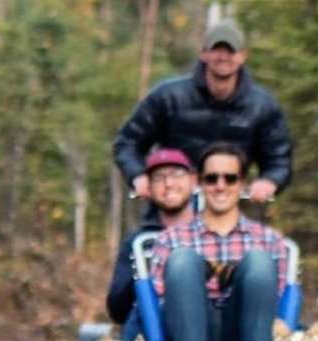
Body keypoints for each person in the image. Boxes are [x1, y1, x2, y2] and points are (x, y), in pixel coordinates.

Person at [113, 19, 292, 225]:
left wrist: (269, 181)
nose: (223, 56)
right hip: (170, 210)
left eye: (230, 50)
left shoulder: (263, 106)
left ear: (243, 56)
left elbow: (279, 158)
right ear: (203, 53)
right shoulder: (167, 97)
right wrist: (138, 176)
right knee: (139, 245)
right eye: (216, 50)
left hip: (232, 212)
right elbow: (127, 143)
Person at [148, 143, 288, 341]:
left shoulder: (270, 240)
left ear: (242, 183)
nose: (220, 186)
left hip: (249, 325)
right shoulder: (169, 240)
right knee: (183, 259)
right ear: (199, 182)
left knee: (259, 261)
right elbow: (157, 303)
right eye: (212, 178)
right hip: (185, 328)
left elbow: (276, 303)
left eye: (230, 178)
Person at [106, 148, 197, 341]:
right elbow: (117, 310)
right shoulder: (138, 242)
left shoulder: (212, 236)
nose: (169, 184)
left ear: (193, 180)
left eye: (177, 174)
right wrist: (143, 275)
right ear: (149, 187)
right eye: (159, 178)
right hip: (152, 330)